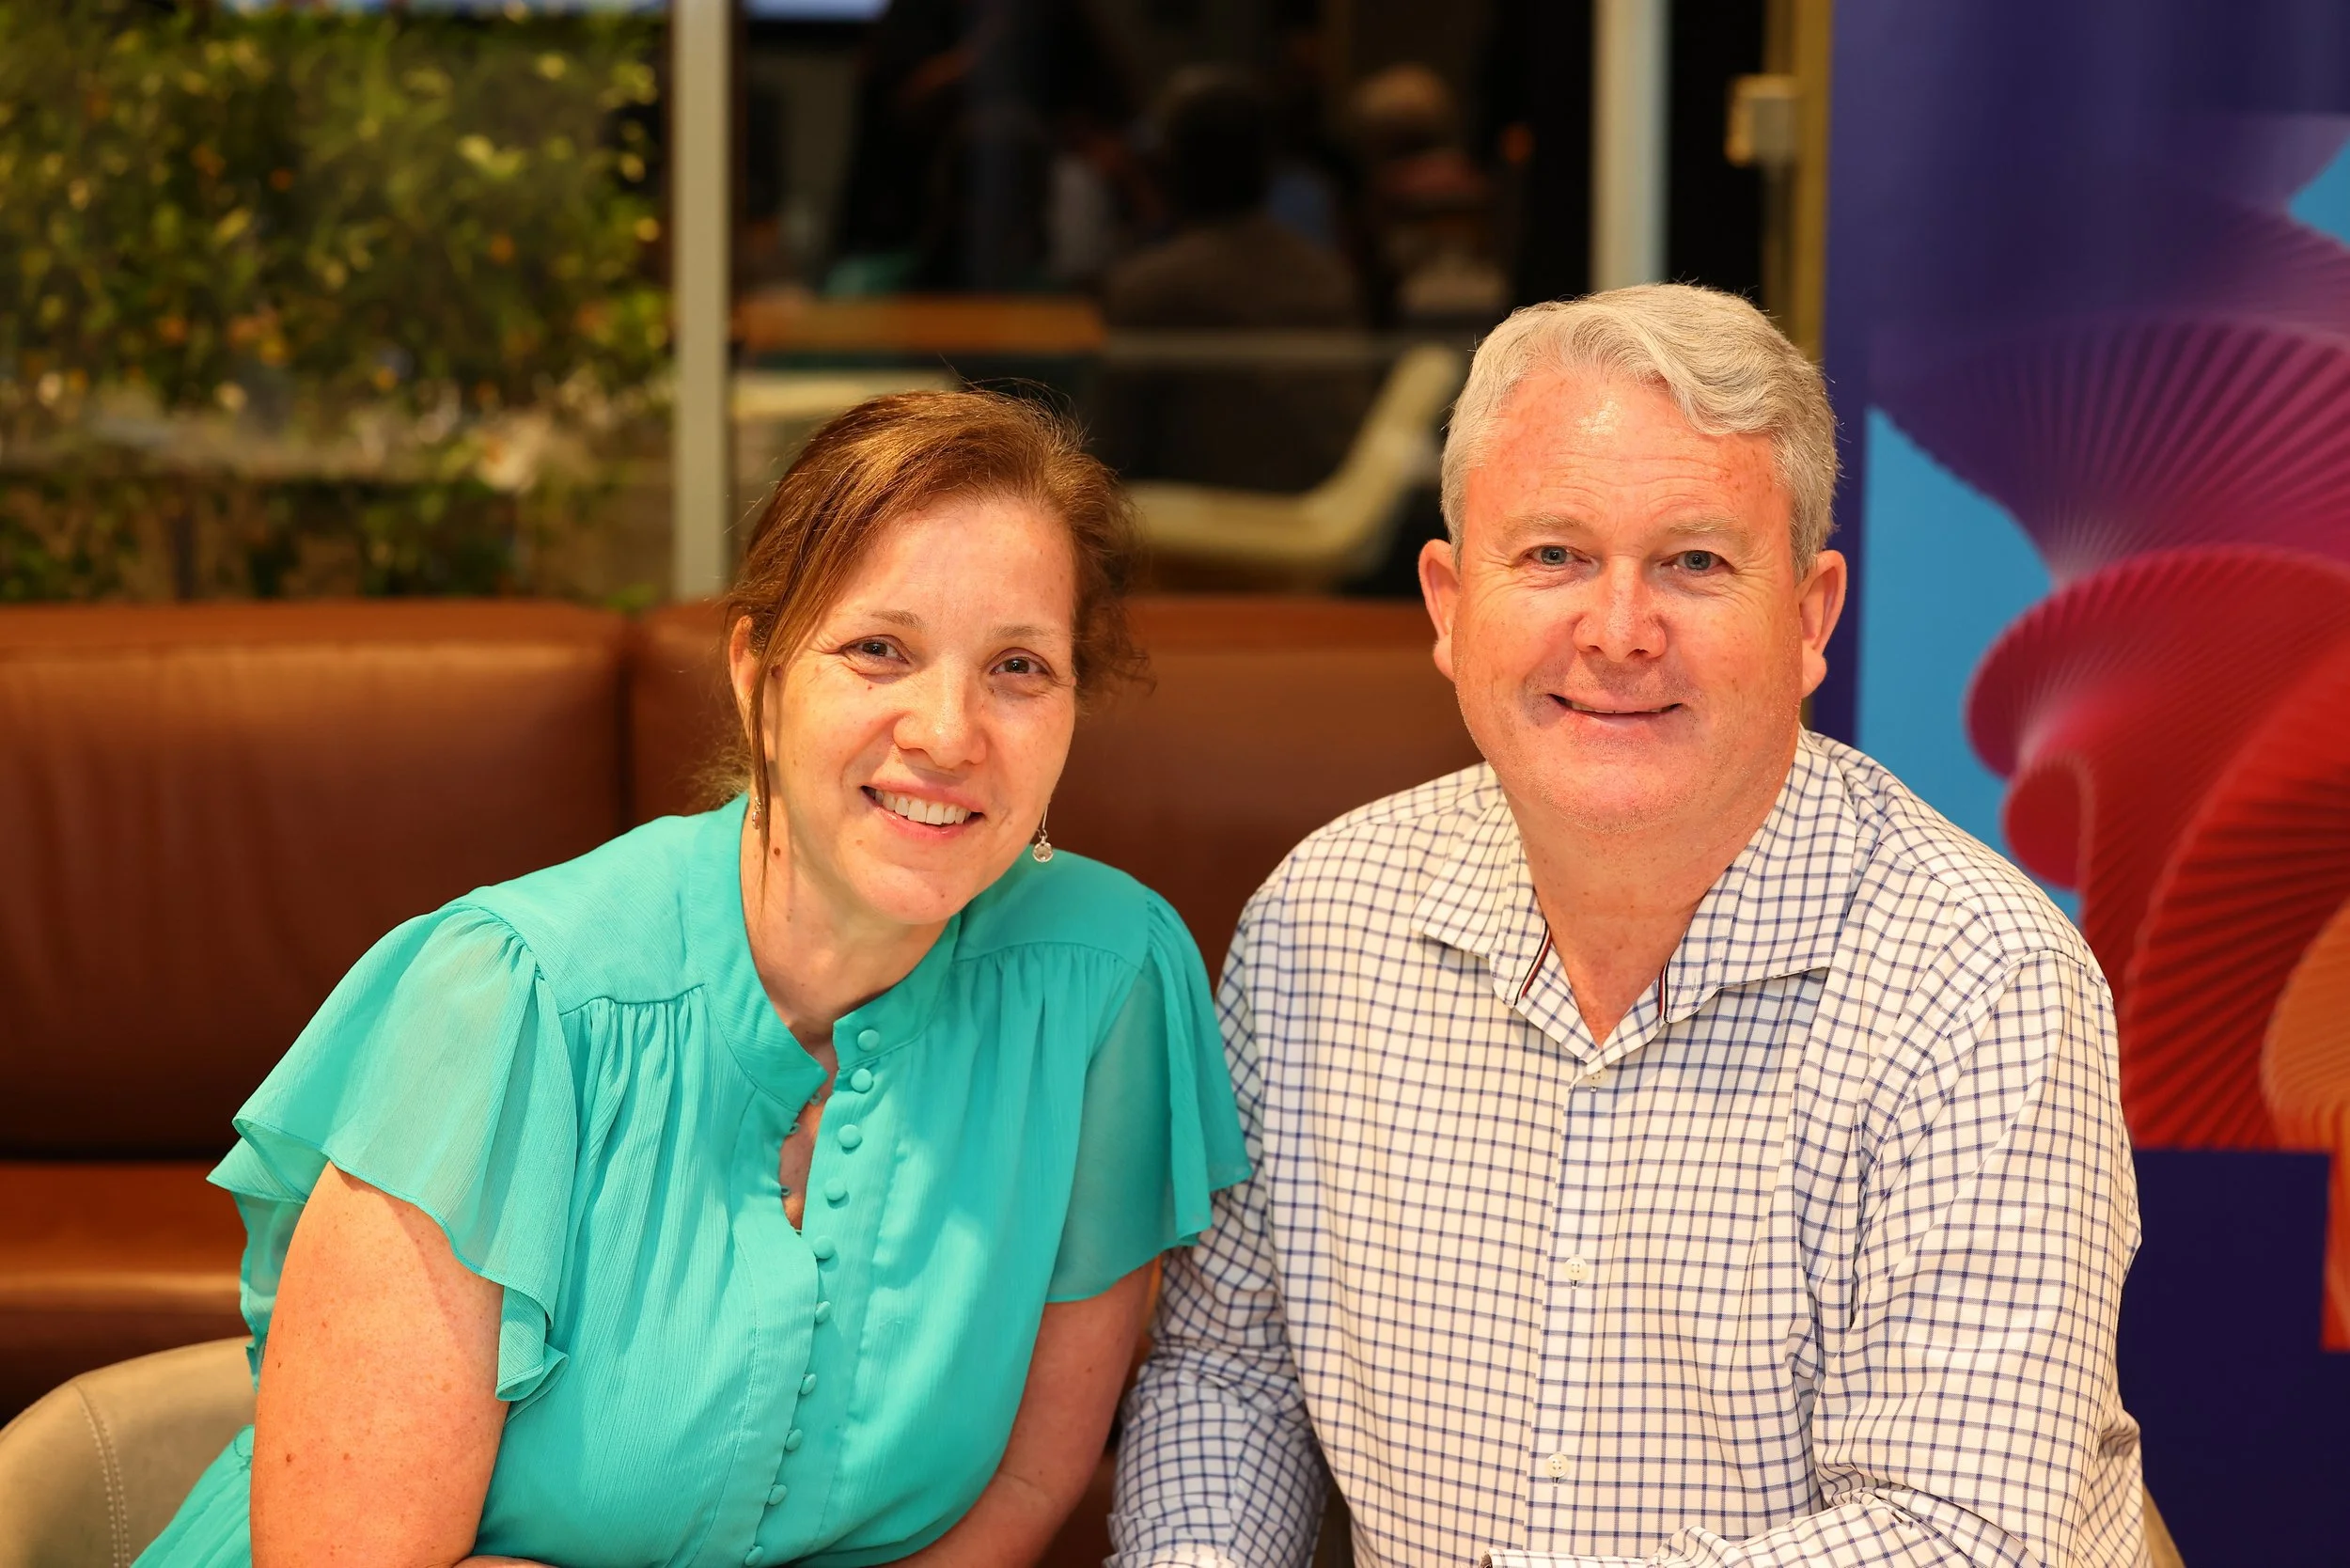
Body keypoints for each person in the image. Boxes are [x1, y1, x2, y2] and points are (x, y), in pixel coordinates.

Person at [1108, 285, 2144, 1567]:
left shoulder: (1979, 982)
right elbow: (1229, 1378)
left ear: (1809, 618)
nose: (1618, 632)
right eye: (1553, 555)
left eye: (1694, 563)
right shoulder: (1320, 923)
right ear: (1447, 605)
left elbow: (1956, 1537)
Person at [137, 391, 1251, 1568]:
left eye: (1019, 666)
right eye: (879, 650)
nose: (947, 732)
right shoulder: (509, 999)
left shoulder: (1108, 981)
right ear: (754, 673)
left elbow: (1026, 1481)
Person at [1095, 69, 1370, 494]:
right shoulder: (1325, 274)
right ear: (1267, 167)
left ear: (1173, 167)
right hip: (1324, 510)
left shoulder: (1151, 286)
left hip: (1205, 520)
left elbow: (1110, 451)